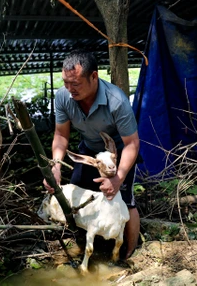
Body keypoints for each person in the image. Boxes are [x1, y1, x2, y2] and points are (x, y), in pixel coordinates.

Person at [43, 50, 140, 259]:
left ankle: (130, 254)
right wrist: (56, 166)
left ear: (94, 77)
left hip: (117, 153)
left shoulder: (117, 101)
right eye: (66, 83)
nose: (69, 89)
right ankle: (85, 244)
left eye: (75, 84)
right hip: (89, 151)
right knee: (79, 193)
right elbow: (60, 135)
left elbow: (131, 143)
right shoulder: (63, 97)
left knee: (126, 200)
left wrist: (118, 177)